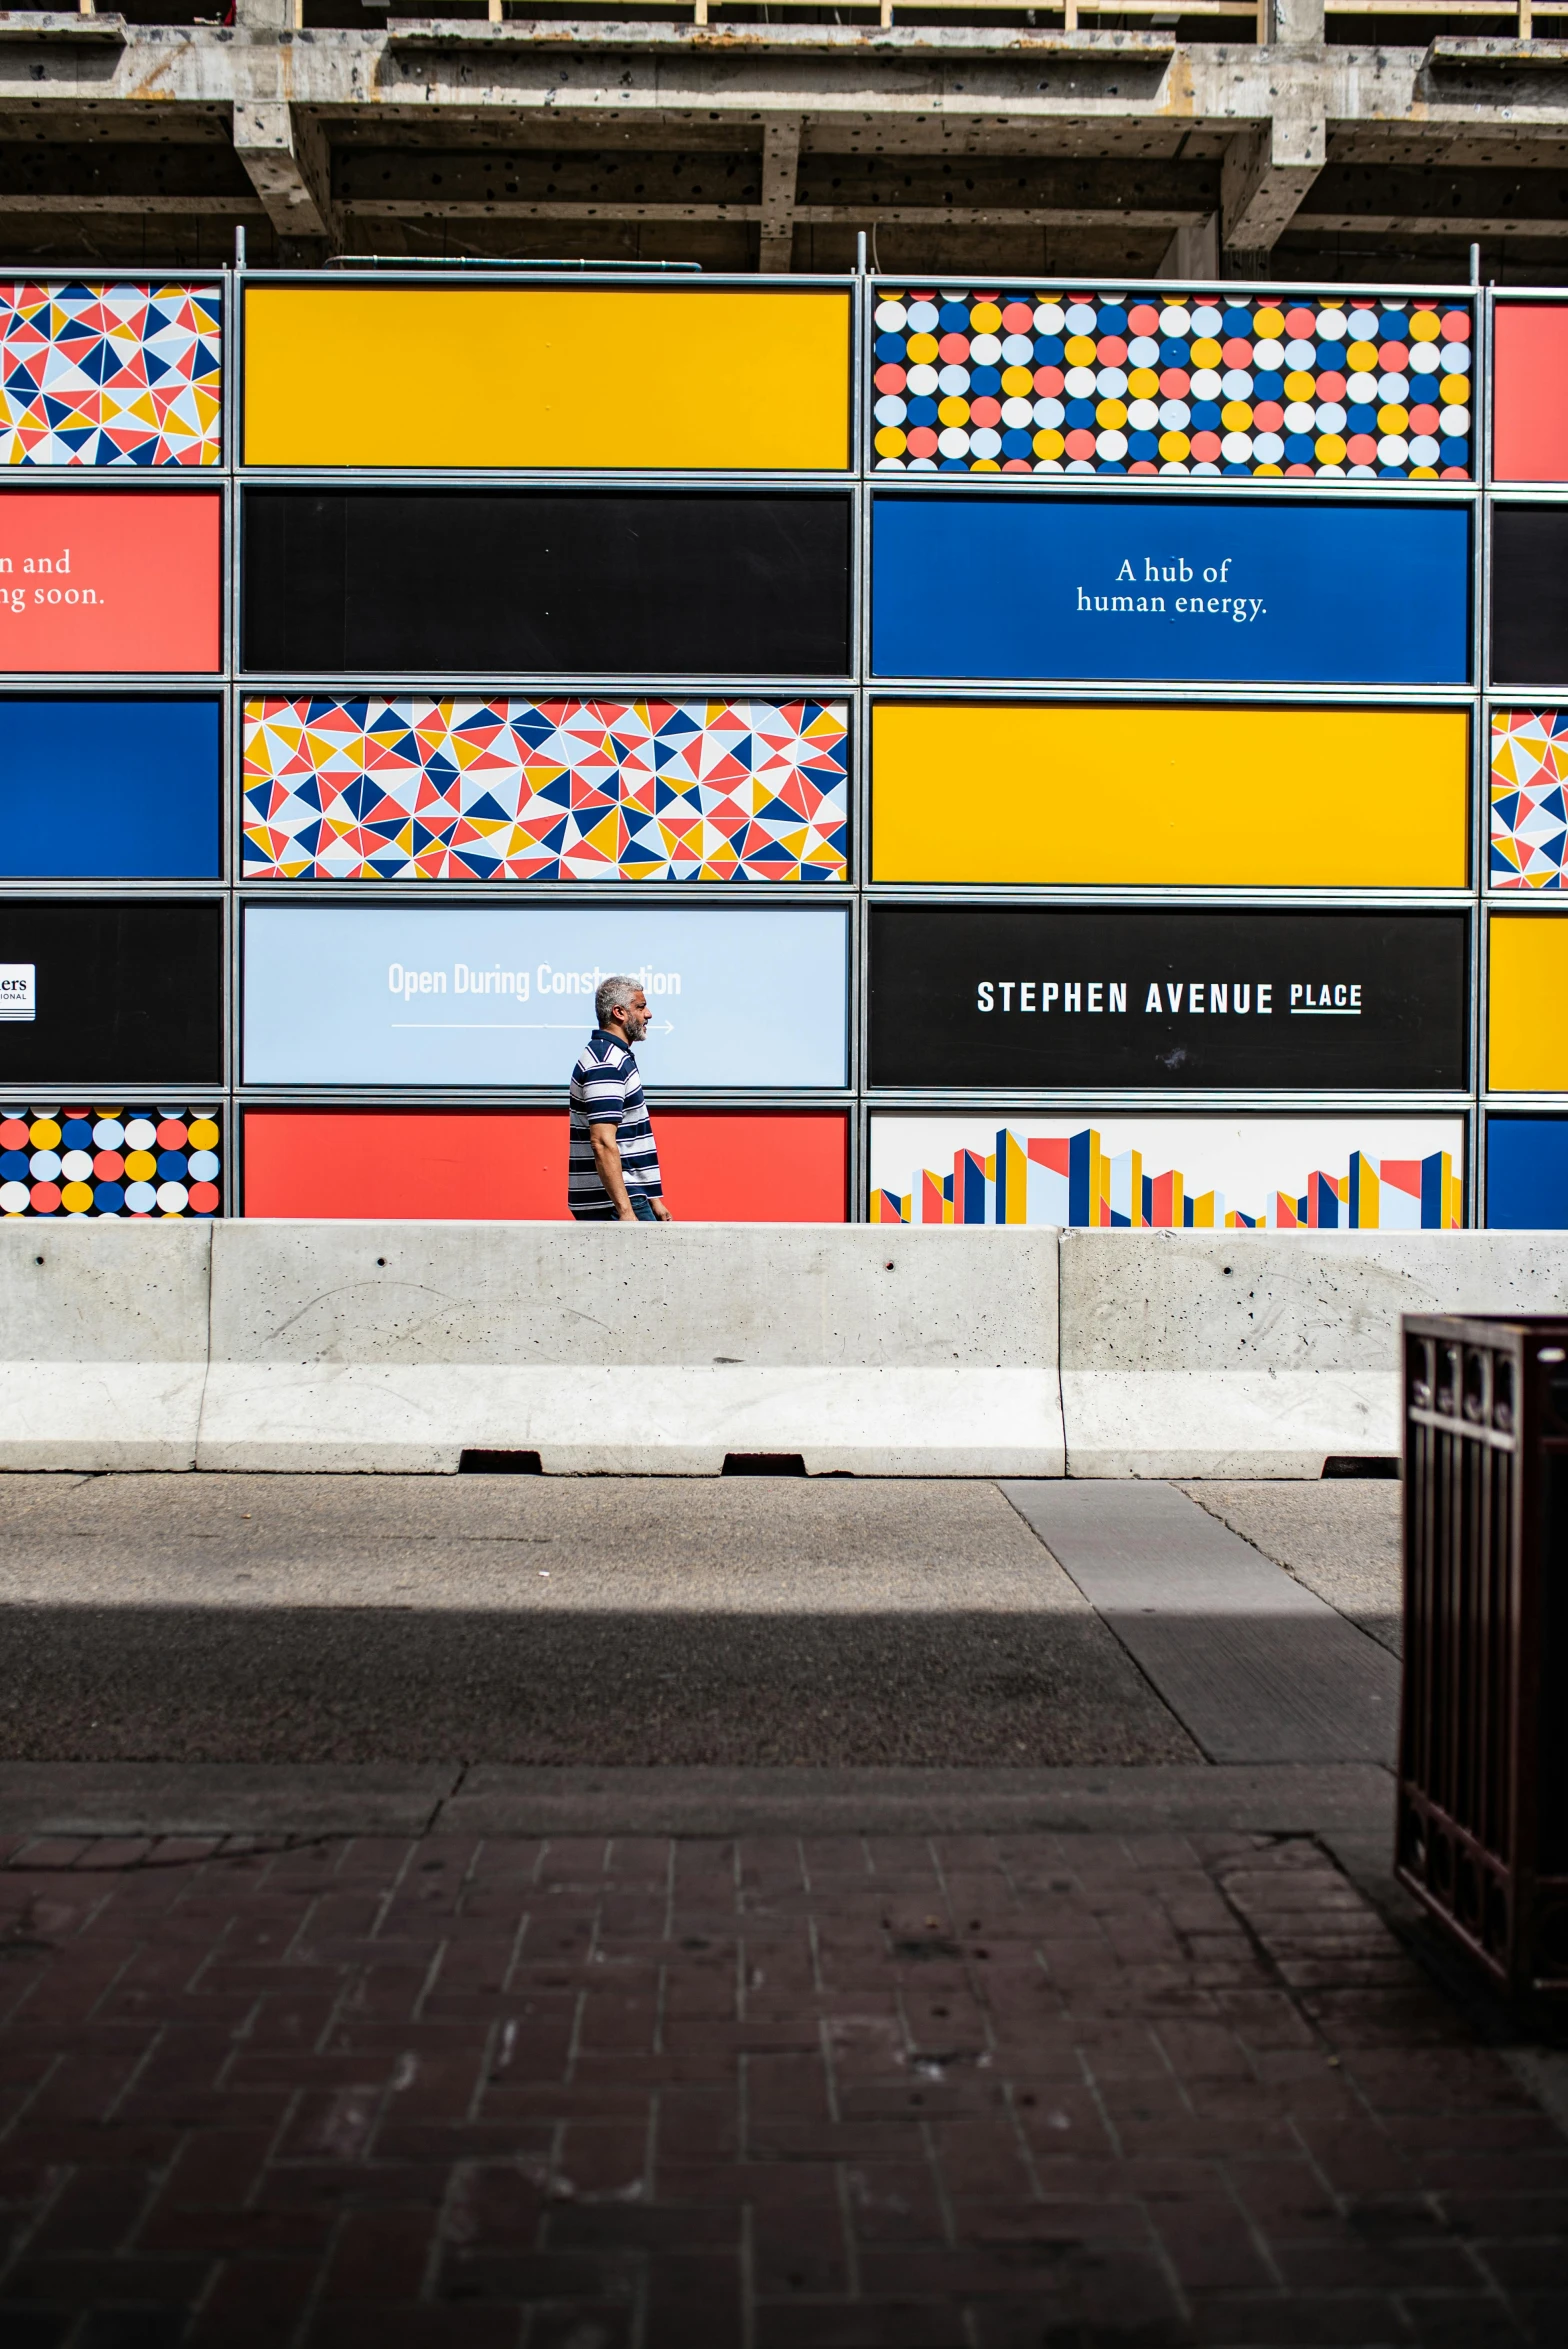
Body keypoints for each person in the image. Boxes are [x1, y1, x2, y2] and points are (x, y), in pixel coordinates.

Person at [568, 974, 673, 1224]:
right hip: (616, 1203)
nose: (648, 1014)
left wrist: (653, 1198)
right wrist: (626, 1212)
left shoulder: (617, 1056)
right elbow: (602, 1142)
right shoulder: (606, 1063)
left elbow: (629, 1137)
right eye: (640, 1006)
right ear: (619, 1012)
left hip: (632, 1197)